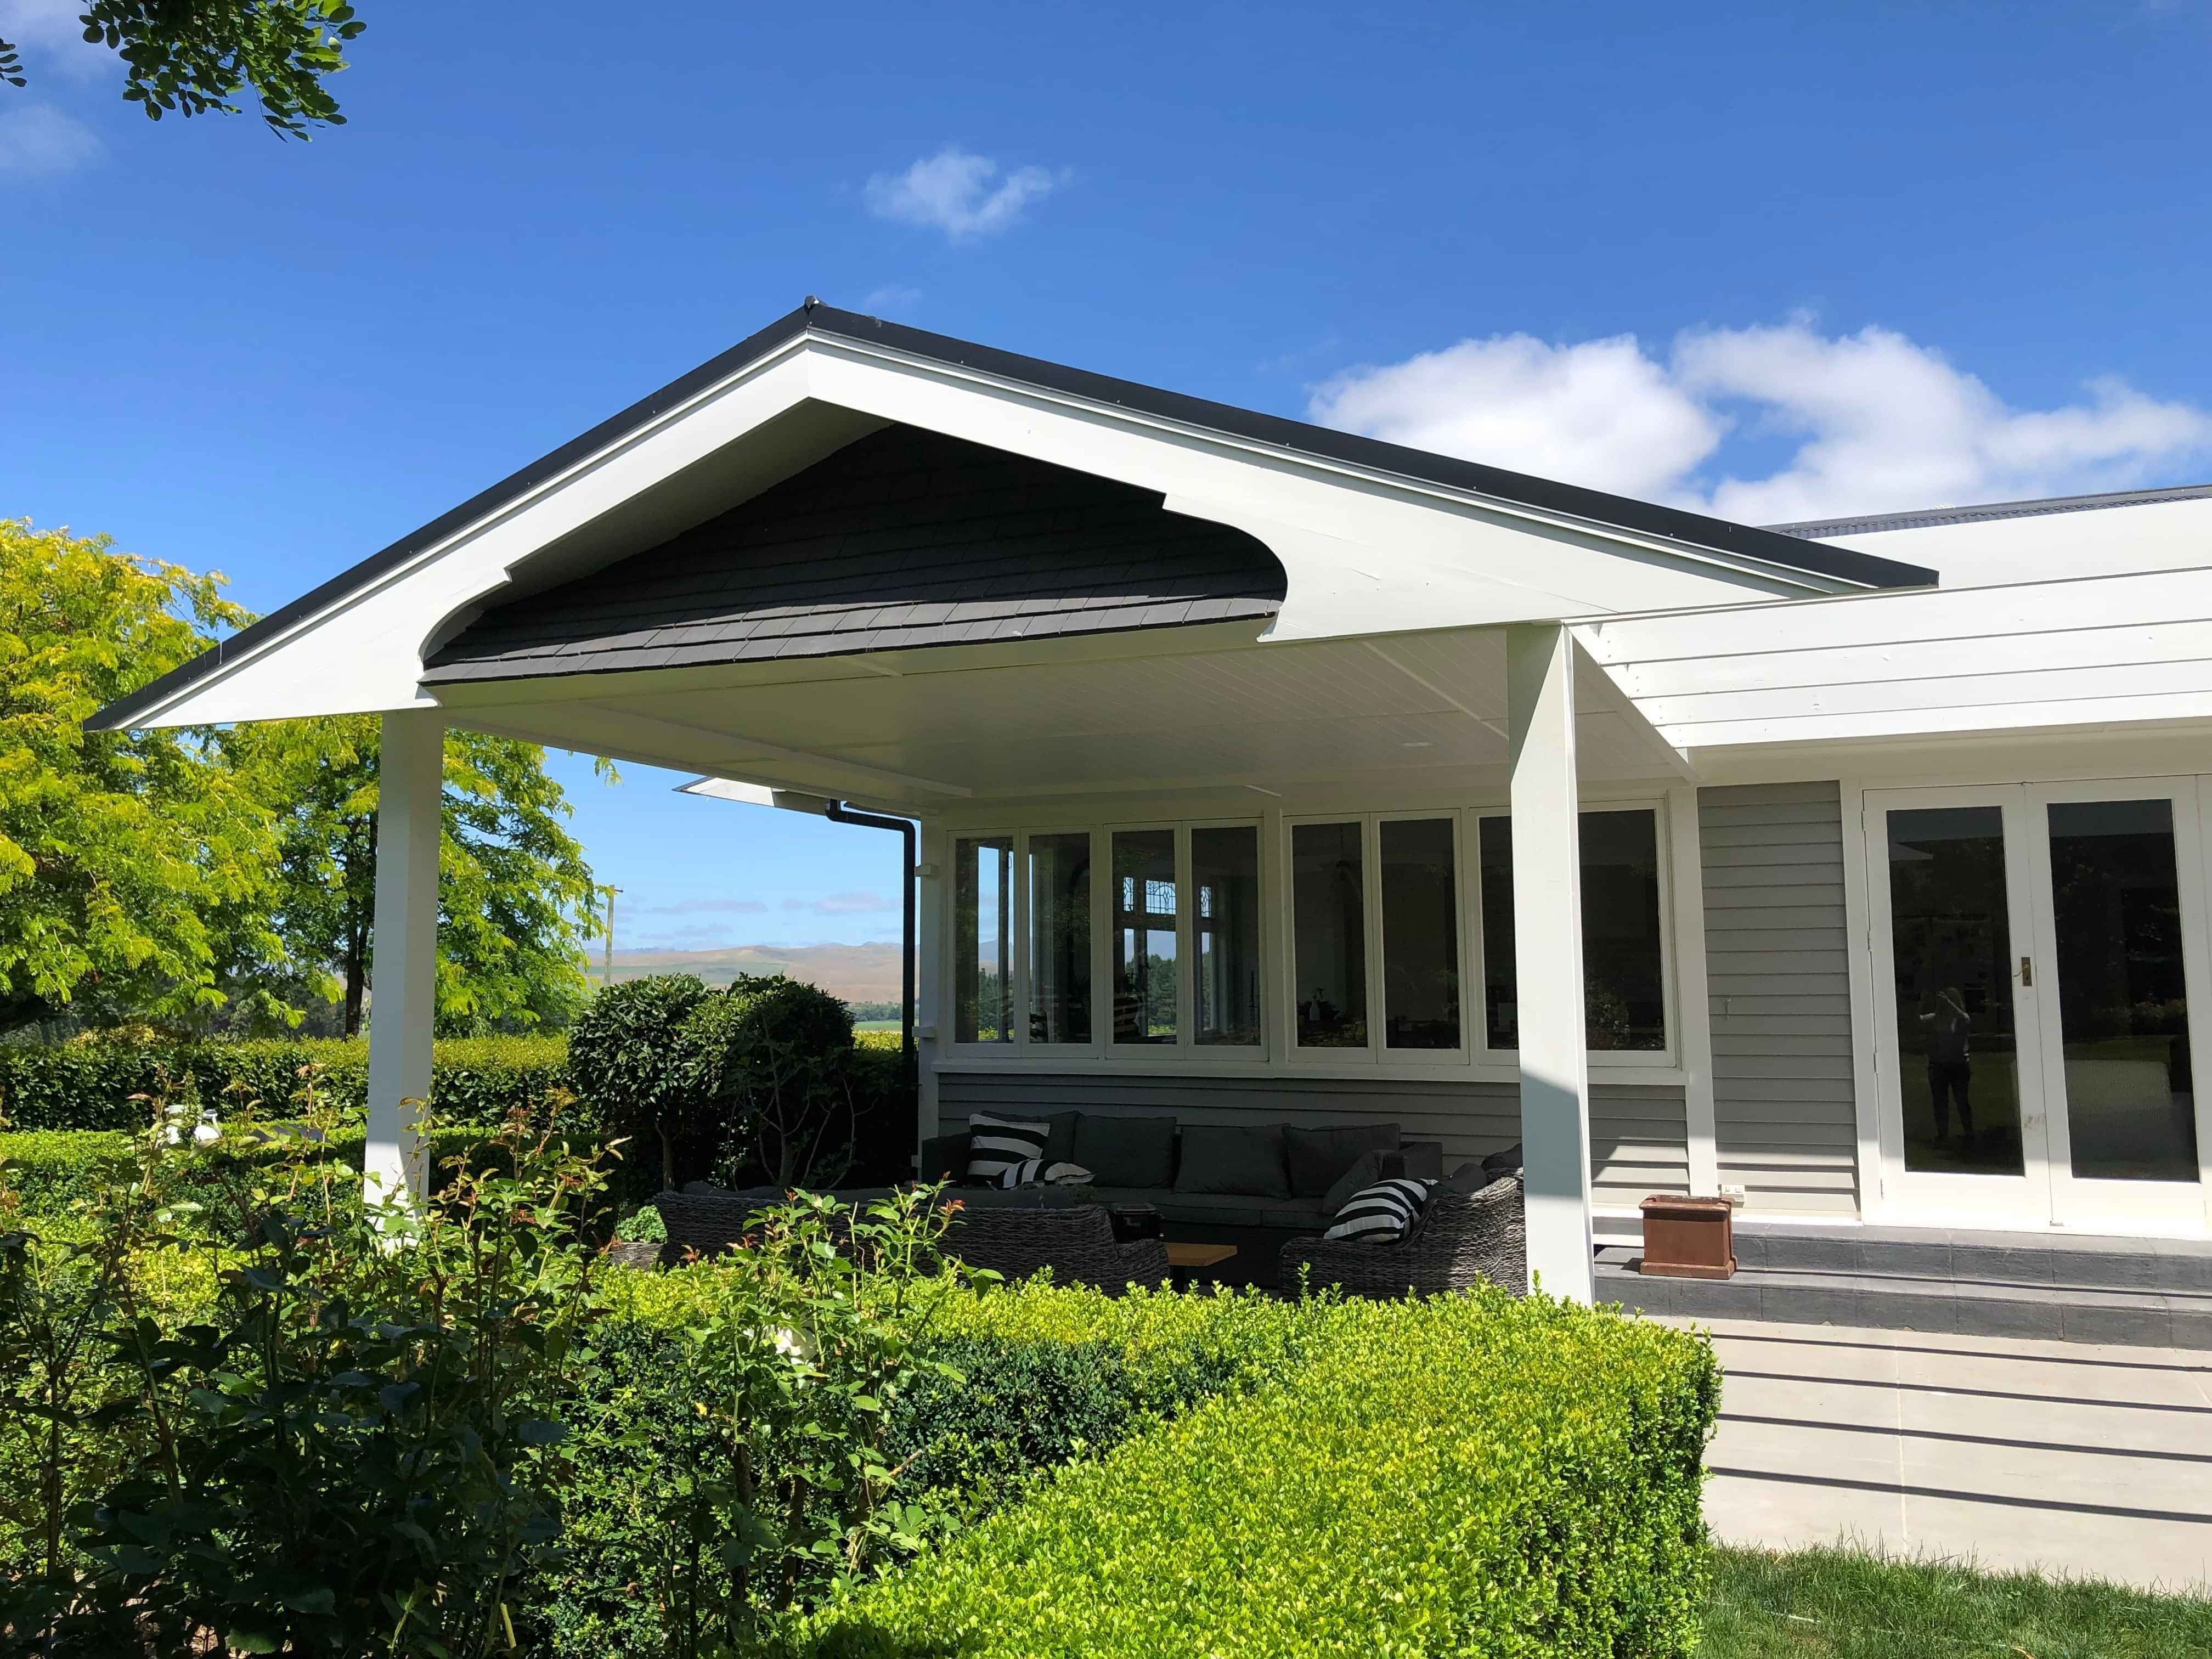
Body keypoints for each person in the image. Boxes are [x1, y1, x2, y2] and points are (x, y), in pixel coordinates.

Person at [1920, 986, 1973, 1148]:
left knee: (1962, 1100)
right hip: (1939, 1065)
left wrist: (1949, 1003)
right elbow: (1918, 1020)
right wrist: (1920, 1001)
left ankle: (1969, 1133)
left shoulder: (1960, 1019)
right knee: (1940, 1102)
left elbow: (1965, 1019)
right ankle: (1943, 1135)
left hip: (1958, 1066)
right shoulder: (1936, 1018)